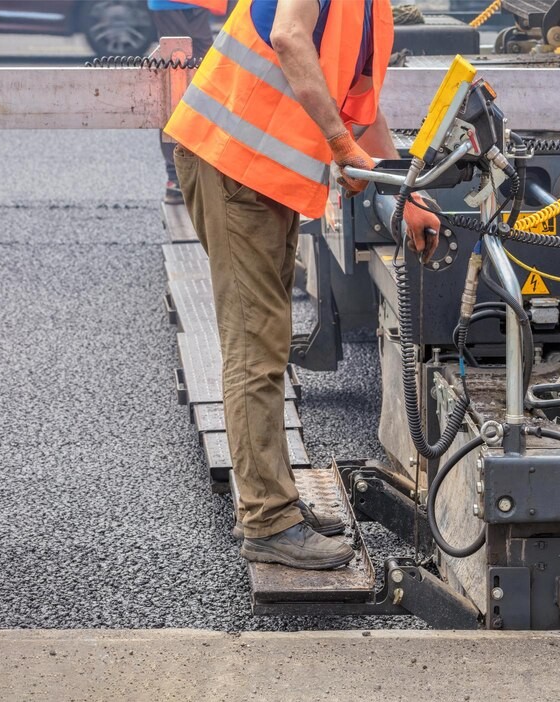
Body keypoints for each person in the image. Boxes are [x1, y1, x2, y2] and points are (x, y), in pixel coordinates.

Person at [164, 0, 439, 570]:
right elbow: (290, 38)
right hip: (232, 162)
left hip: (262, 176)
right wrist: (341, 147)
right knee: (255, 345)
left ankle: (277, 502)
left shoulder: (369, 12)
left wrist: (402, 191)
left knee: (263, 337)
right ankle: (269, 522)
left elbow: (364, 113)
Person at [147, 0, 225, 204]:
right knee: (178, 80)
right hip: (171, 5)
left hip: (195, 4)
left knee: (203, 76)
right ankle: (176, 177)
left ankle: (195, 170)